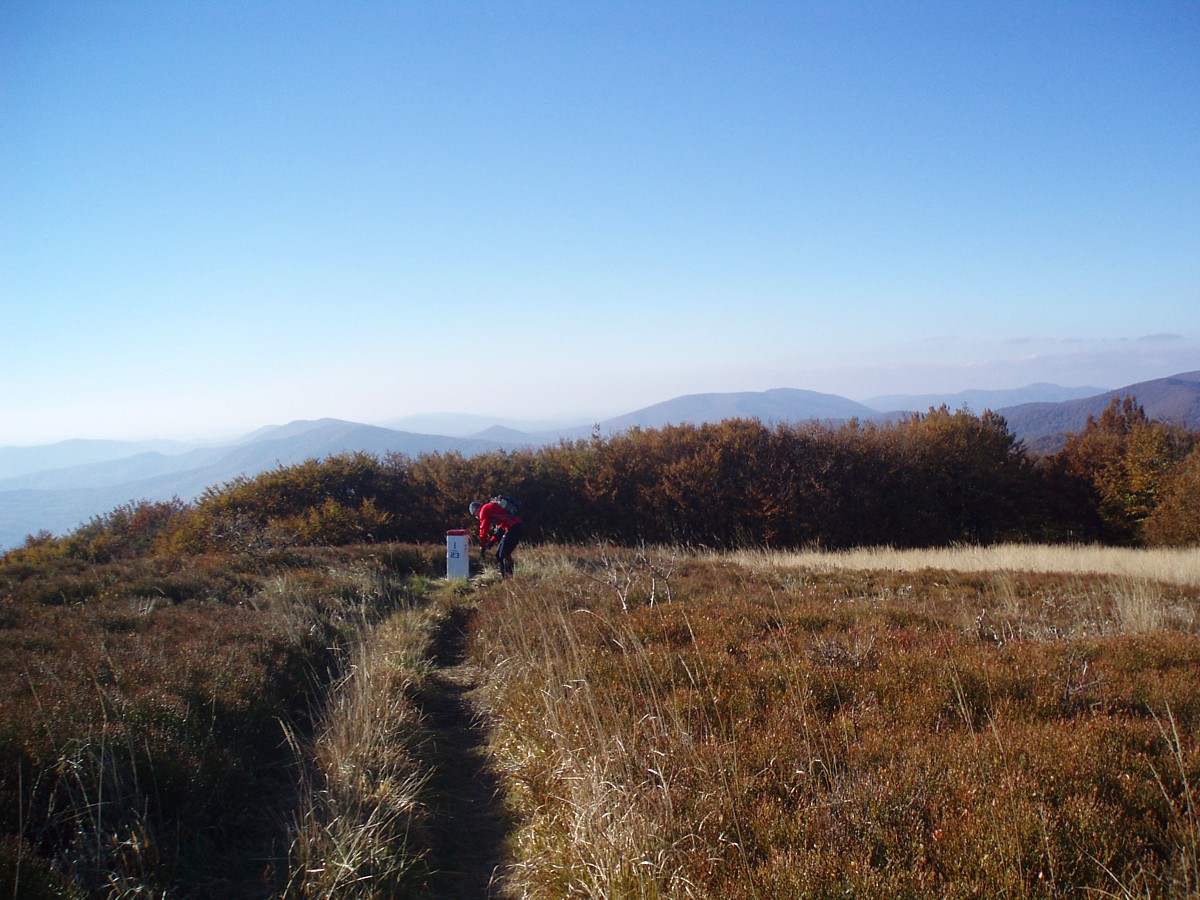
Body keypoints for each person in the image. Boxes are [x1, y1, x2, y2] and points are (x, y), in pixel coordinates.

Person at [470, 498, 525, 577]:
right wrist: (492, 540)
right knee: (504, 554)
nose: (476, 517)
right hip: (517, 526)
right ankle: (510, 576)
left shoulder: (484, 510)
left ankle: (506, 578)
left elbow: (483, 529)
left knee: (500, 555)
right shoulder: (491, 507)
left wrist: (482, 547)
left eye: (474, 514)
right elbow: (500, 527)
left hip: (513, 527)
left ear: (477, 509)